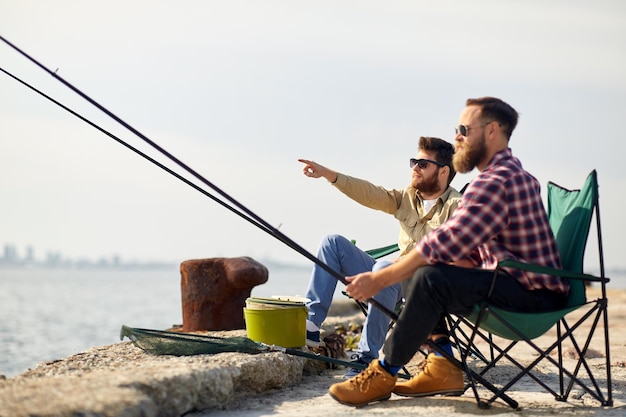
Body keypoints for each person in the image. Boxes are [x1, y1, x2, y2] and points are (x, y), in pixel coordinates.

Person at [328, 97, 570, 407]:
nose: (457, 138)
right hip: (516, 283)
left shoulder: (498, 181)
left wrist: (379, 279)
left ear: (492, 131)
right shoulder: (504, 175)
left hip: (531, 296)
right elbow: (470, 245)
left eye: (463, 129)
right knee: (424, 273)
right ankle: (443, 364)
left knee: (430, 277)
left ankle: (384, 370)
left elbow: (447, 241)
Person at [298, 136, 462, 378]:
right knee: (332, 243)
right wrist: (329, 175)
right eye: (414, 161)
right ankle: (311, 326)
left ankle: (366, 358)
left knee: (385, 266)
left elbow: (453, 257)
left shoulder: (457, 206)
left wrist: (402, 265)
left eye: (422, 163)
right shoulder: (407, 197)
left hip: (422, 287)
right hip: (389, 275)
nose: (415, 167)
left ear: (443, 171)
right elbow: (371, 193)